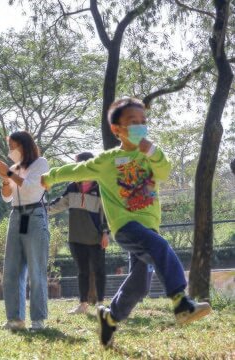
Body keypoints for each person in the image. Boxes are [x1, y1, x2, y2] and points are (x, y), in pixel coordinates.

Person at [41, 97, 212, 348]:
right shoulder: (107, 161)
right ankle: (181, 302)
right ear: (117, 129)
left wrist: (152, 151)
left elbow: (164, 171)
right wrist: (49, 177)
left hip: (148, 227)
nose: (140, 126)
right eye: (133, 122)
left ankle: (110, 317)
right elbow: (76, 171)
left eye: (143, 121)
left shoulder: (150, 156)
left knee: (141, 283)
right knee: (161, 247)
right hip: (126, 227)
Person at [0, 131, 50, 331]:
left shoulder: (40, 164)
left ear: (24, 145)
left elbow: (32, 189)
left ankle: (38, 320)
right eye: (9, 146)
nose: (11, 151)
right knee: (12, 270)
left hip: (34, 215)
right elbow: (7, 197)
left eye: (13, 146)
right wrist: (5, 179)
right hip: (17, 216)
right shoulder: (14, 168)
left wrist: (9, 173)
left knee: (36, 269)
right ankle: (15, 319)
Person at [49, 152, 109, 314]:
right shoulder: (72, 187)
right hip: (76, 237)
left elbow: (107, 213)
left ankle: (100, 305)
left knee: (99, 271)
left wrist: (106, 233)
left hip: (96, 238)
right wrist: (38, 211)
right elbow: (57, 204)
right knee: (82, 271)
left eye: (77, 166)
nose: (74, 170)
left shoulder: (100, 187)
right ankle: (83, 305)